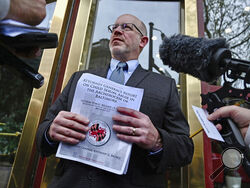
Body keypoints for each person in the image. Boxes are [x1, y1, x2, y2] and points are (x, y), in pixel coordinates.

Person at [36, 14, 194, 188]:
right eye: (114, 28)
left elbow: (185, 150)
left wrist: (157, 141)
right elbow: (42, 134)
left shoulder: (164, 86)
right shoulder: (80, 78)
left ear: (143, 41)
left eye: (126, 27)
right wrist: (51, 131)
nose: (117, 30)